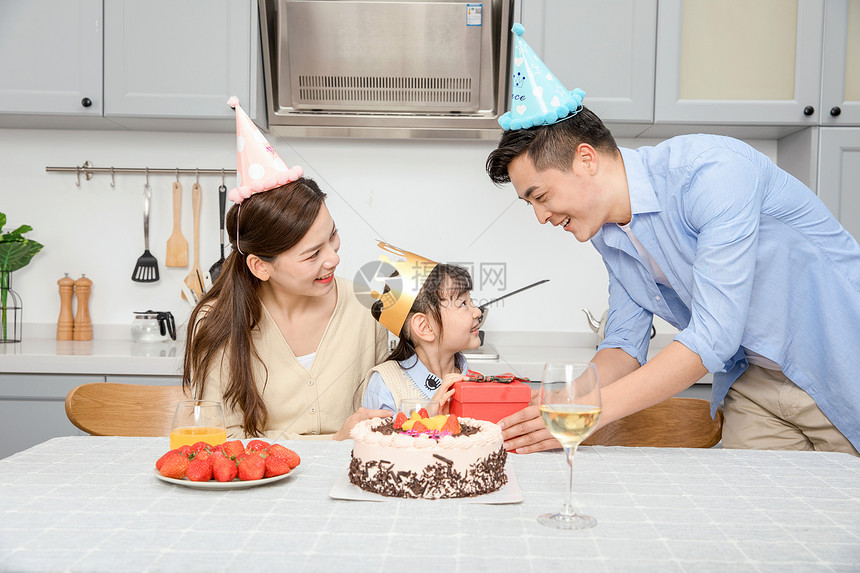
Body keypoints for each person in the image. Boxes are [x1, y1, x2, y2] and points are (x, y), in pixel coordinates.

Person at [484, 24, 860, 455]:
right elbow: (624, 345)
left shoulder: (711, 173)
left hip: (837, 365)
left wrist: (584, 414)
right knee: (748, 517)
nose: (541, 217)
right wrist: (559, 403)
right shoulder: (609, 234)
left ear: (585, 159)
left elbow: (713, 335)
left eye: (541, 196)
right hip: (753, 384)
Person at [182, 98, 390, 440]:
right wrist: (334, 441)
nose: (333, 258)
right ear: (261, 266)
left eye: (333, 235)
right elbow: (217, 441)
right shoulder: (218, 321)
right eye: (312, 255)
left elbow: (387, 407)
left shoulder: (366, 304)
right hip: (257, 490)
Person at [362, 244, 482, 413]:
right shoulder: (385, 386)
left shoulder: (477, 381)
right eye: (463, 303)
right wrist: (428, 418)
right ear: (425, 327)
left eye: (471, 300)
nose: (477, 312)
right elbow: (378, 439)